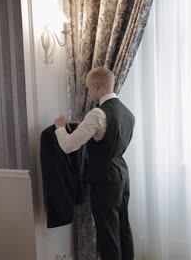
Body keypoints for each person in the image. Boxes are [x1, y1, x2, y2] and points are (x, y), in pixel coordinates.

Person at [54, 67, 135, 260]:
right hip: (122, 173)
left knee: (107, 233)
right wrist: (85, 126)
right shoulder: (127, 112)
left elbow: (68, 146)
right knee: (123, 226)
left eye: (89, 88)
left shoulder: (97, 114)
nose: (89, 93)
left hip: (104, 178)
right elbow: (108, 136)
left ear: (97, 85)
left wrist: (59, 128)